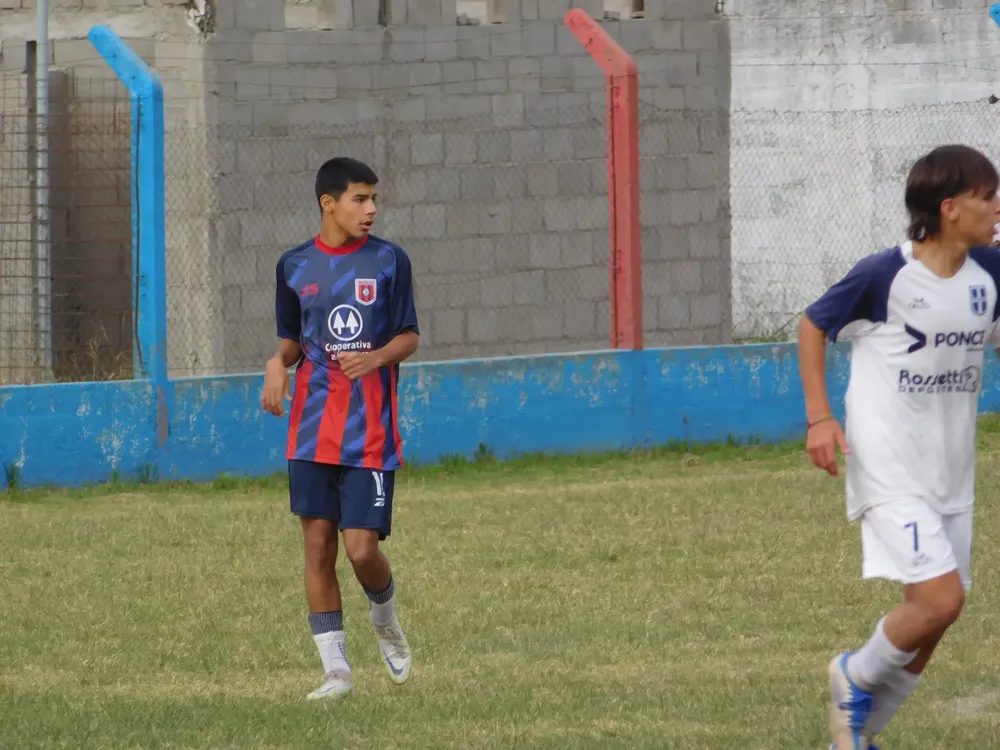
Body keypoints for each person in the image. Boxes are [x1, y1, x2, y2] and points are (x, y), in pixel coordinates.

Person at [797, 144, 1000, 749]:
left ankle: (856, 736)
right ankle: (853, 673)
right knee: (940, 599)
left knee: (935, 619)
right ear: (949, 208)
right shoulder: (884, 274)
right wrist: (819, 419)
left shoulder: (990, 274)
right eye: (988, 196)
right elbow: (812, 324)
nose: (997, 207)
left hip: (951, 474)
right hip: (889, 467)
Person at [260, 157, 420, 701]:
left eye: (373, 199)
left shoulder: (389, 261)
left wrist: (374, 358)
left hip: (370, 433)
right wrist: (276, 365)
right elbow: (292, 341)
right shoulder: (294, 266)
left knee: (361, 551)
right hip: (310, 432)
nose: (370, 209)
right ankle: (336, 672)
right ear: (328, 204)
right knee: (318, 547)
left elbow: (409, 336)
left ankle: (386, 621)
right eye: (359, 198)